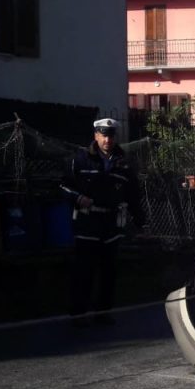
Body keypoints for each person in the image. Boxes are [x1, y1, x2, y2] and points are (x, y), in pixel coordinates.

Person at [61, 118, 144, 326]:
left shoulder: (123, 164)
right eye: (104, 135)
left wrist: (141, 222)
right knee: (84, 271)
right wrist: (78, 197)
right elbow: (63, 186)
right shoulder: (81, 160)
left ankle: (103, 313)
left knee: (109, 272)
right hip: (87, 223)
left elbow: (133, 195)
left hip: (111, 224)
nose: (108, 140)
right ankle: (78, 314)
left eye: (111, 136)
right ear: (96, 136)